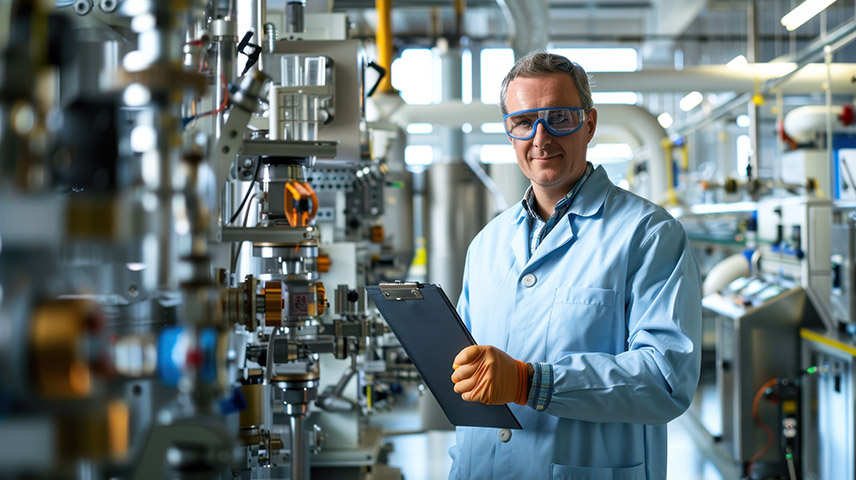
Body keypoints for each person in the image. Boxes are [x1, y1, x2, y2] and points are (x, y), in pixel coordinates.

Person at [448, 51, 702, 480]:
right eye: (524, 122)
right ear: (510, 132)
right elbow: (469, 384)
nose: (541, 139)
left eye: (559, 118)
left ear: (589, 123)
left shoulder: (648, 234)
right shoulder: (486, 244)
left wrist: (531, 383)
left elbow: (665, 380)